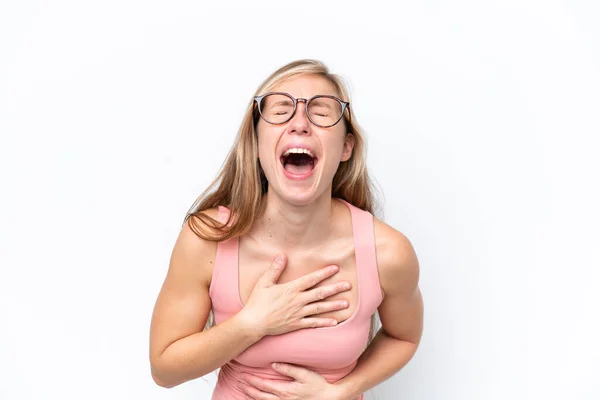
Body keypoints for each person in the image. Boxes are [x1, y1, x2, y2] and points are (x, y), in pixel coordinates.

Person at [149, 59, 424, 400]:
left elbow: (404, 336)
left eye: (322, 113)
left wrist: (344, 390)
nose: (300, 123)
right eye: (281, 110)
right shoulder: (206, 239)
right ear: (257, 140)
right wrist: (252, 323)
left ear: (346, 147)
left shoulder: (388, 253)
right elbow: (164, 369)